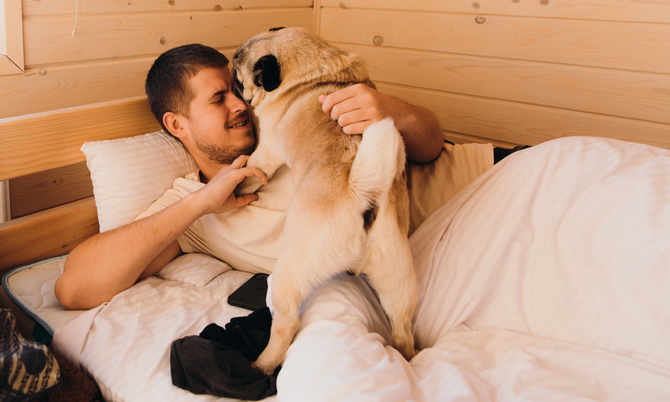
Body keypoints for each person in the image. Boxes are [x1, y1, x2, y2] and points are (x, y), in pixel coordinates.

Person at [55, 43, 446, 310]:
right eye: (218, 98)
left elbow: (431, 145)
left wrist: (389, 110)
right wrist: (203, 202)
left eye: (236, 90)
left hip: (470, 191)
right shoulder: (192, 210)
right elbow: (74, 288)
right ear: (177, 125)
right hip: (432, 254)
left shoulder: (287, 119)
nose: (241, 104)